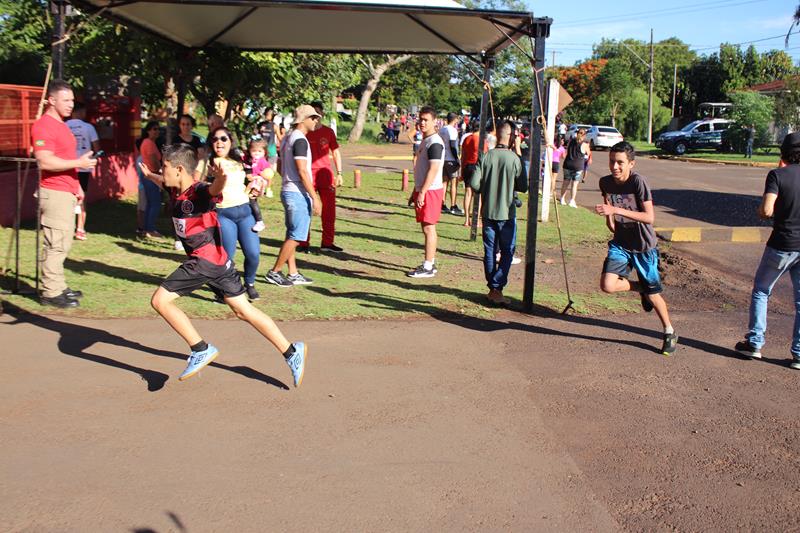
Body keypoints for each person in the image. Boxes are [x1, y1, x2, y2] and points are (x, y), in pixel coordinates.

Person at [150, 144, 307, 386]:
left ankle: (200, 348)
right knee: (243, 310)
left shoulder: (199, 191)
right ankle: (291, 352)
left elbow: (214, 189)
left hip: (203, 261)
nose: (162, 171)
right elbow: (160, 180)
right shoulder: (174, 190)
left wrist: (221, 178)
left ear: (179, 169)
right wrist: (148, 174)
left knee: (159, 301)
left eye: (165, 167)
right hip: (220, 263)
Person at [595, 141, 677, 356]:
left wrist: (614, 208)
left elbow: (649, 217)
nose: (615, 167)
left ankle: (669, 331)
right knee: (607, 285)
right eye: (612, 161)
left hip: (643, 247)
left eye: (620, 163)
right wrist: (610, 217)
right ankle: (639, 288)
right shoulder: (605, 182)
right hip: (621, 243)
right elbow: (608, 203)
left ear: (631, 163)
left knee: (654, 295)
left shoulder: (638, 182)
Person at [734, 133, 800, 370]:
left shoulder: (777, 175)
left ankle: (755, 343)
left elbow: (766, 210)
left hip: (782, 244)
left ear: (783, 153)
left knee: (762, 291)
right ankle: (799, 355)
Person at [31, 80, 97, 308]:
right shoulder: (43, 126)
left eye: (72, 100)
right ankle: (50, 292)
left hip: (66, 189)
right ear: (52, 100)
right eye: (66, 100)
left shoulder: (62, 125)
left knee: (63, 242)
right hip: (54, 191)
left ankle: (58, 285)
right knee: (55, 243)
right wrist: (79, 162)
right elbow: (44, 160)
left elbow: (66, 162)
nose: (71, 105)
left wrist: (76, 184)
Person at [469, 121, 528, 305]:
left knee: (489, 251)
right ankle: (496, 287)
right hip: (507, 214)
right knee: (507, 251)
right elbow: (524, 186)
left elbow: (474, 184)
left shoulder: (485, 157)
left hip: (488, 212)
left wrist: (487, 188)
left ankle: (493, 287)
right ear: (512, 137)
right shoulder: (515, 159)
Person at [264, 104, 322, 287]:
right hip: (297, 193)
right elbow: (303, 171)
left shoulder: (289, 137)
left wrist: (287, 180)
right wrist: (315, 197)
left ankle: (293, 272)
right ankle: (275, 271)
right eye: (313, 117)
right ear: (303, 120)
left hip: (288, 189)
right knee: (297, 236)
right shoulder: (300, 140)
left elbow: (280, 165)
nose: (316, 121)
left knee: (291, 234)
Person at [207, 126, 264, 301]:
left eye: (224, 139)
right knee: (228, 257)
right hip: (224, 213)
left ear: (230, 142)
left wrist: (256, 189)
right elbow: (207, 188)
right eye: (216, 139)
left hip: (245, 211)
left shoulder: (239, 160)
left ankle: (250, 283)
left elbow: (250, 181)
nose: (219, 142)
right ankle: (225, 288)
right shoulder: (210, 163)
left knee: (253, 254)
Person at [406, 106, 445, 278]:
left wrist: (422, 192)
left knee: (429, 228)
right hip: (423, 189)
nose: (422, 123)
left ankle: (428, 266)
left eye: (426, 120)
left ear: (434, 121)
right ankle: (430, 263)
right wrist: (415, 191)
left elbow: (434, 169)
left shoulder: (435, 142)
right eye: (420, 119)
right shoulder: (425, 140)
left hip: (430, 191)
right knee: (426, 228)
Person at [304, 100, 344, 252]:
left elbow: (336, 152)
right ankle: (303, 242)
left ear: (322, 114)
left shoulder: (328, 132)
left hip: (326, 175)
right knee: (307, 208)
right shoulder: (304, 132)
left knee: (329, 210)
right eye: (312, 113)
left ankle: (327, 243)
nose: (316, 116)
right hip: (309, 175)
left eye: (318, 113)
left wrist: (339, 173)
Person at [66, 102, 100, 241]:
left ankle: (67, 226)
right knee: (82, 197)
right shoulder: (88, 127)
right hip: (84, 167)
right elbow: (97, 147)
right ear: (80, 112)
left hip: (67, 166)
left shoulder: (64, 126)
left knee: (68, 197)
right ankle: (80, 228)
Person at [136, 121, 164, 238]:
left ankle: (146, 228)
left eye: (158, 129)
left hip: (148, 175)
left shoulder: (149, 142)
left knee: (150, 203)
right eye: (154, 129)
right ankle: (150, 229)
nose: (157, 131)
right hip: (151, 175)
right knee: (155, 203)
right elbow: (153, 161)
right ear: (148, 131)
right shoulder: (149, 143)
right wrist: (160, 172)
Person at [460, 120, 487, 228]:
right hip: (477, 167)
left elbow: (463, 156)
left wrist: (462, 171)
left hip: (467, 166)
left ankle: (467, 219)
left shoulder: (467, 138)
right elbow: (485, 156)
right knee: (478, 194)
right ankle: (477, 219)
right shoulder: (482, 140)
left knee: (468, 193)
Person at [244, 138, 273, 233]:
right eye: (254, 151)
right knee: (248, 201)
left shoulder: (262, 162)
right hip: (251, 183)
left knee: (252, 201)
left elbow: (269, 175)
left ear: (265, 152)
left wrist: (268, 188)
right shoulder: (251, 160)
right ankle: (252, 219)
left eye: (259, 151)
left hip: (257, 184)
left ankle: (259, 221)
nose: (256, 153)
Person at [439, 112, 463, 215]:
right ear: (455, 119)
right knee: (454, 183)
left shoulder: (442, 129)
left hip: (443, 158)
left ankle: (442, 204)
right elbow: (453, 145)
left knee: (444, 182)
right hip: (451, 159)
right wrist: (457, 158)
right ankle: (453, 205)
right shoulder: (452, 130)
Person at [560, 127, 589, 208]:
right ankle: (572, 200)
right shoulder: (585, 144)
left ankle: (562, 199)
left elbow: (567, 150)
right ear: (584, 135)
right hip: (578, 166)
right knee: (574, 184)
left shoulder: (571, 141)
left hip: (567, 164)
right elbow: (588, 154)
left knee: (565, 182)